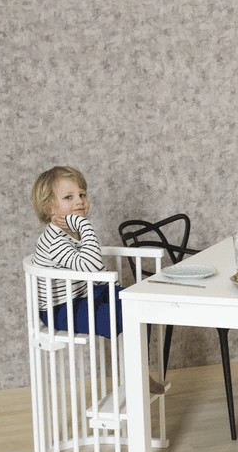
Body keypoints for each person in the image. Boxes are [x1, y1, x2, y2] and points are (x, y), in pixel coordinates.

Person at [31, 166, 165, 394]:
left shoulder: (73, 234)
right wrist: (85, 225)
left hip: (84, 296)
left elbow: (96, 270)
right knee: (125, 314)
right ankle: (137, 373)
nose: (80, 201)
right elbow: (92, 267)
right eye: (68, 197)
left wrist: (115, 291)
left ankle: (140, 369)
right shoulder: (54, 240)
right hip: (61, 309)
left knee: (139, 302)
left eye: (82, 194)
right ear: (48, 208)